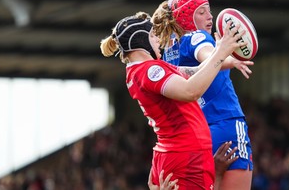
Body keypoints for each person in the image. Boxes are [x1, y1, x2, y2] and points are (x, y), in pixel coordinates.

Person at [100, 11, 246, 190]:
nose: (158, 41)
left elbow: (192, 71)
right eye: (153, 35)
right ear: (140, 41)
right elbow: (190, 90)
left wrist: (227, 59)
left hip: (180, 154)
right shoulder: (148, 71)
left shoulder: (141, 70)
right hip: (186, 157)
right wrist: (220, 52)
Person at [151, 0, 254, 190]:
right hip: (228, 123)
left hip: (197, 136)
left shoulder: (172, 48)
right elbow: (208, 54)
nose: (210, 17)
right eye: (203, 12)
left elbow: (186, 5)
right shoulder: (199, 38)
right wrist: (229, 56)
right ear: (189, 18)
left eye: (210, 10)